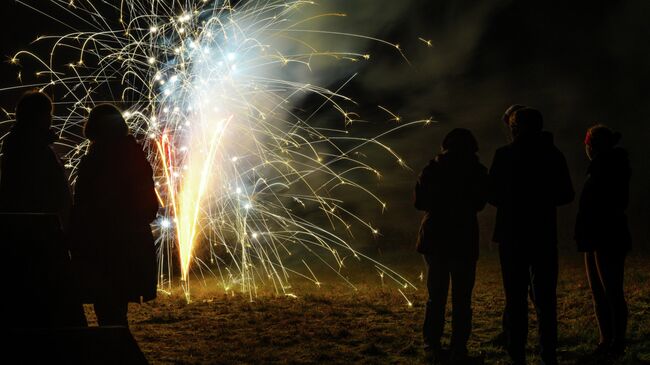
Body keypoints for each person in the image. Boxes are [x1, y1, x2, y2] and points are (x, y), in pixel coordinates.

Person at [488, 107, 574, 365]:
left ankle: (518, 354)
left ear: (514, 128)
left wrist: (512, 200)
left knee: (515, 298)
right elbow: (567, 194)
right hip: (543, 234)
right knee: (546, 298)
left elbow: (491, 195)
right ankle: (548, 354)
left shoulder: (504, 155)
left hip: (511, 235)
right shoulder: (553, 154)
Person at [0, 90, 86, 328]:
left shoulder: (23, 145)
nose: (51, 119)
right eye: (48, 113)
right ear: (37, 116)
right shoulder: (31, 148)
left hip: (41, 232)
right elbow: (37, 192)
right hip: (41, 236)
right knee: (52, 302)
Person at [71, 104, 159, 326]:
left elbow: (83, 209)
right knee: (115, 315)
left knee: (109, 315)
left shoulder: (94, 162)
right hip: (130, 249)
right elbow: (150, 208)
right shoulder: (135, 157)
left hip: (102, 251)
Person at [415, 128, 489, 364]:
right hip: (463, 237)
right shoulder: (477, 171)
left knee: (436, 295)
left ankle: (432, 345)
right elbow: (480, 204)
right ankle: (459, 348)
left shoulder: (432, 169)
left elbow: (419, 202)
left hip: (436, 237)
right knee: (462, 298)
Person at [575, 125, 631, 360]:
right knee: (602, 292)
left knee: (611, 291)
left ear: (592, 146)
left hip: (605, 235)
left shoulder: (605, 168)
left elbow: (603, 204)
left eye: (587, 144)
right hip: (598, 235)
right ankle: (607, 341)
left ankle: (615, 343)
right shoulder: (606, 166)